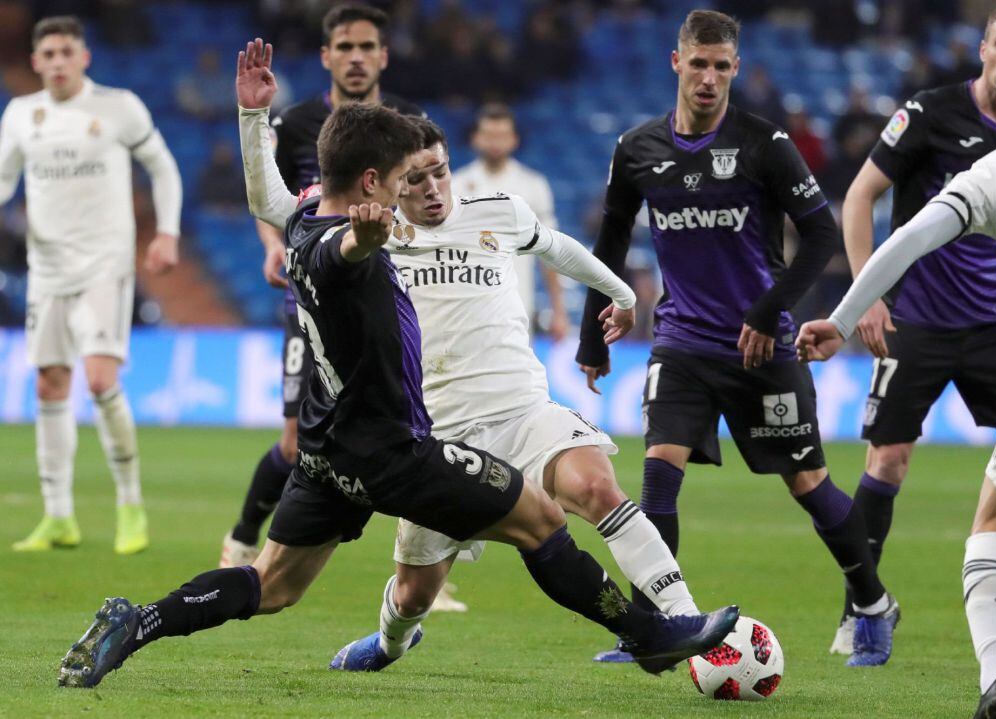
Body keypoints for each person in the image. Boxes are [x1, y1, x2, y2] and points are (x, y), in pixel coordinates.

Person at [57, 78, 739, 691]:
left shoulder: (302, 219)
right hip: (395, 451)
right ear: (376, 181)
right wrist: (366, 239)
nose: (417, 190)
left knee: (271, 584)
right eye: (401, 180)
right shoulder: (343, 245)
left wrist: (250, 115)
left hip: (327, 456)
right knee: (541, 519)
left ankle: (139, 621)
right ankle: (650, 635)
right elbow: (346, 253)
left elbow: (270, 197)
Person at [238, 46, 709, 669]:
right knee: (413, 592)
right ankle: (389, 643)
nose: (433, 188)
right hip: (436, 436)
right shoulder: (367, 228)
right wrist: (251, 119)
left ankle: (685, 624)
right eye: (416, 178)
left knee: (596, 486)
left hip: (521, 410)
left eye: (440, 172)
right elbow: (272, 204)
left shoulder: (499, 212)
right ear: (385, 180)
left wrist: (621, 295)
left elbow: (562, 250)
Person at [576, 10, 896, 667]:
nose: (709, 77)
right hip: (682, 342)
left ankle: (871, 602)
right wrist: (593, 336)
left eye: (722, 66)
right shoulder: (637, 148)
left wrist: (767, 309)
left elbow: (822, 237)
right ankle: (657, 628)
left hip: (763, 347)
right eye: (699, 63)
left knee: (808, 482)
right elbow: (608, 243)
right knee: (658, 476)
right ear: (676, 62)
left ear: (735, 69)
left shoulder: (763, 144)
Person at [797, 34, 996, 719]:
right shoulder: (929, 115)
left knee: (993, 519)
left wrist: (842, 316)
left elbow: (909, 239)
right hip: (951, 333)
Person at [221, 2, 423, 571]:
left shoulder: (407, 122)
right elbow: (275, 202)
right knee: (295, 443)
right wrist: (273, 247)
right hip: (315, 289)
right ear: (326, 55)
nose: (356, 58)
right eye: (345, 47)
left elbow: (430, 202)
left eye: (366, 47)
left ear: (383, 55)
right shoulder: (298, 122)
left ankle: (424, 565)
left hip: (381, 296)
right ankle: (244, 540)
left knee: (408, 427)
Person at [0, 16, 181, 555]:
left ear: (84, 58)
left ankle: (130, 505)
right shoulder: (20, 115)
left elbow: (164, 167)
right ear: (35, 62)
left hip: (105, 263)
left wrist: (167, 233)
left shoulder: (118, 106)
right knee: (49, 385)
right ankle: (58, 517)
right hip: (47, 269)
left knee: (100, 382)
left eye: (65, 52)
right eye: (47, 54)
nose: (56, 62)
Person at [452, 103, 569, 341]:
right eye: (488, 135)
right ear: (475, 138)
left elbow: (549, 251)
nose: (495, 142)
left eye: (502, 135)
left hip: (516, 307)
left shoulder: (532, 185)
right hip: (464, 309)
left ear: (514, 139)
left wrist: (559, 309)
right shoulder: (456, 186)